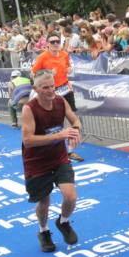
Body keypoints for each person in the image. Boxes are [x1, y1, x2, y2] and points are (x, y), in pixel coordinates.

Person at [21, 70, 82, 253]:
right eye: (45, 88)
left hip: (59, 158)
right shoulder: (29, 109)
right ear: (36, 89)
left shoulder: (60, 101)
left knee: (71, 197)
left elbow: (75, 119)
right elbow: (28, 140)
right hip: (36, 162)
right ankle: (44, 231)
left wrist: (75, 131)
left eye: (52, 87)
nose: (50, 91)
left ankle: (63, 222)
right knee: (44, 202)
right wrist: (60, 135)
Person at [32, 33, 84, 161]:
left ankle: (70, 151)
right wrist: (49, 74)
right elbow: (33, 74)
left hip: (66, 88)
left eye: (57, 42)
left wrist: (69, 69)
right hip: (51, 91)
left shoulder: (64, 54)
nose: (55, 44)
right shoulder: (42, 57)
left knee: (73, 118)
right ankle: (51, 148)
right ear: (47, 44)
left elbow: (67, 66)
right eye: (52, 42)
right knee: (53, 120)